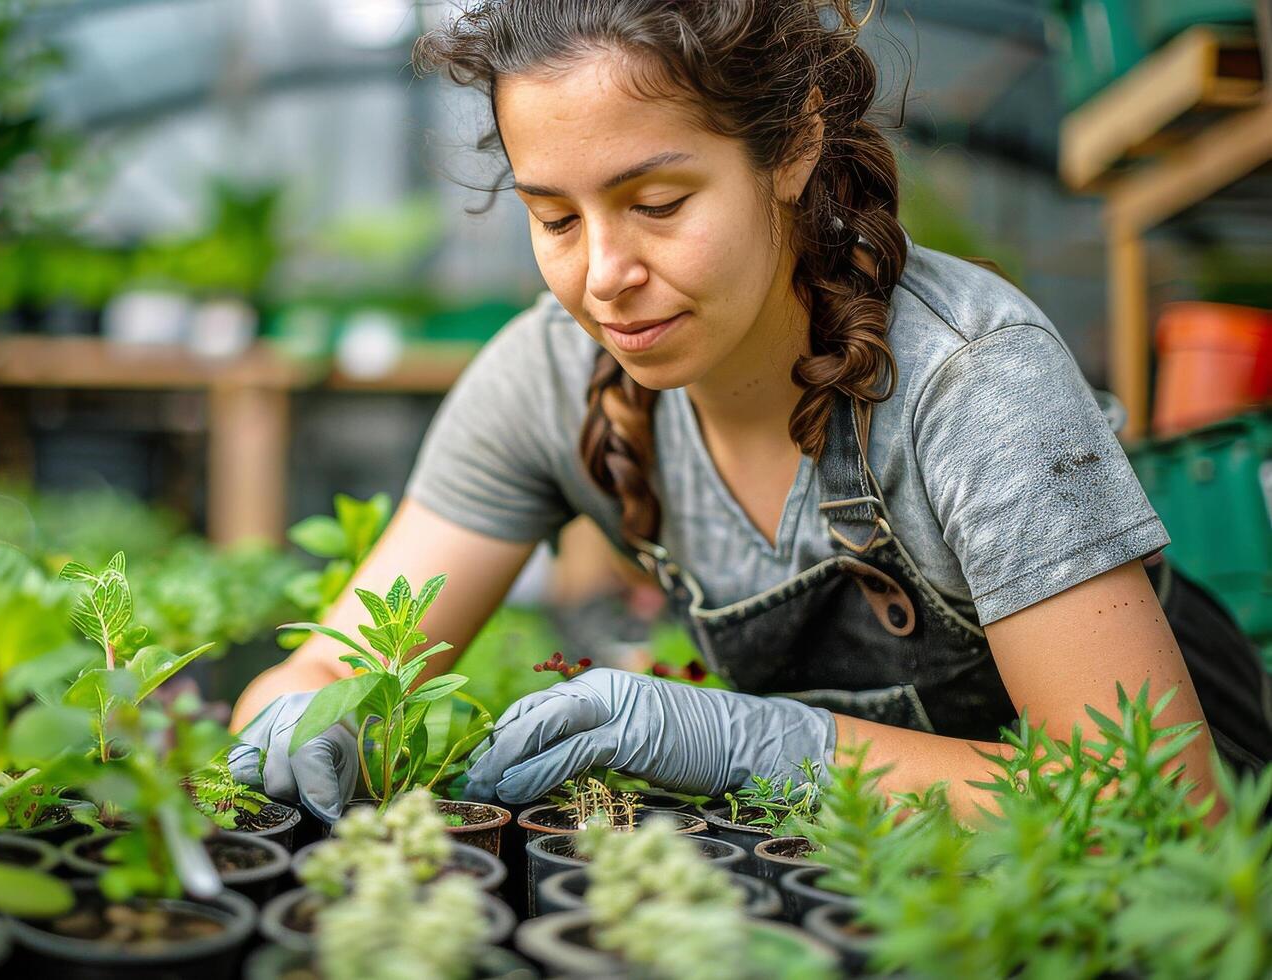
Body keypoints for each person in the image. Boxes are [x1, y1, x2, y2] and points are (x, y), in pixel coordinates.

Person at [228, 0, 1272, 822]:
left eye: (658, 203)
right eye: (552, 217)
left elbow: (1152, 807)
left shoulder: (973, 384)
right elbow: (332, 659)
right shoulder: (543, 380)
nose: (604, 275)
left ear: (791, 148)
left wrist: (763, 743)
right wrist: (303, 716)